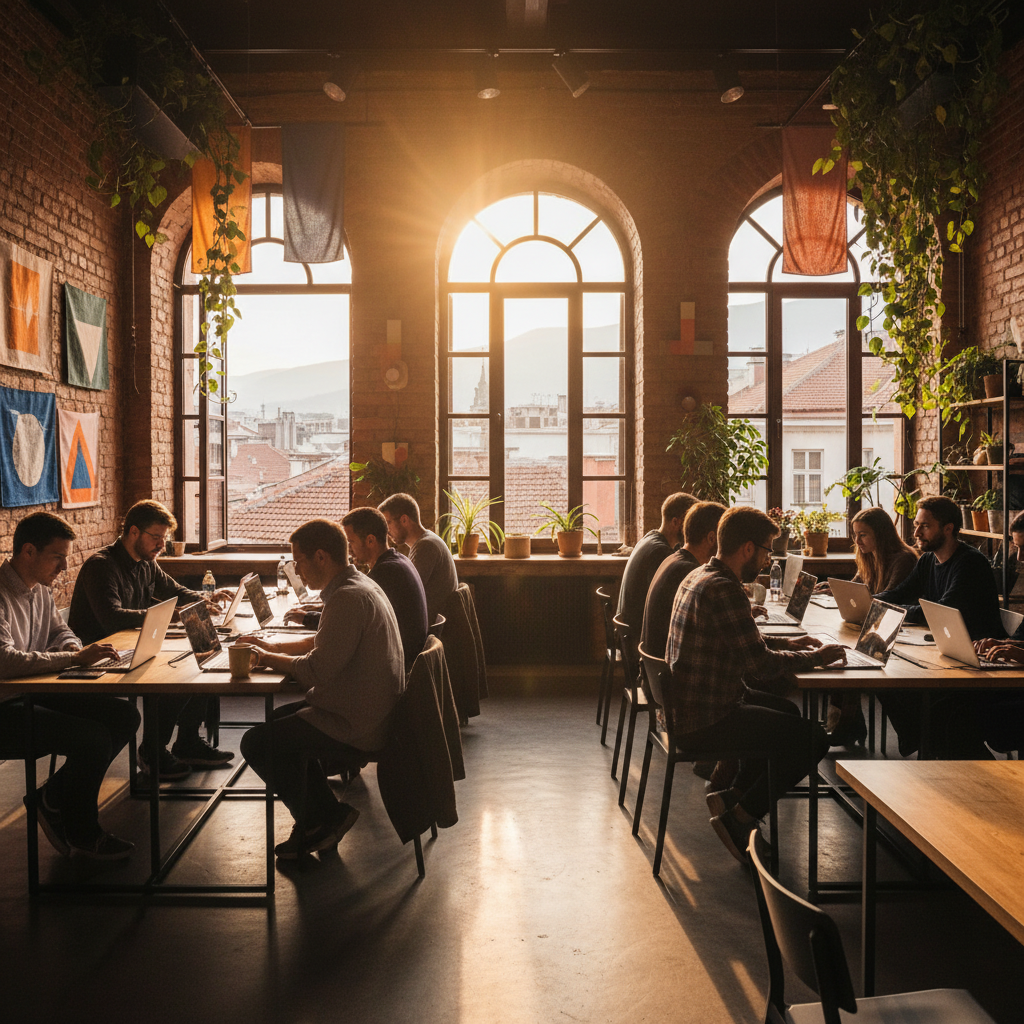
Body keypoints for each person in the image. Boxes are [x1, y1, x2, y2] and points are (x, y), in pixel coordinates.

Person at [664, 506, 843, 863]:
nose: (767, 560)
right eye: (766, 551)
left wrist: (788, 644)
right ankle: (740, 817)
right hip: (707, 719)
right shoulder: (724, 589)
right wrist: (817, 658)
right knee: (814, 738)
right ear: (748, 548)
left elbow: (741, 642)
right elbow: (760, 666)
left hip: (693, 707)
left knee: (788, 711)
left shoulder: (700, 575)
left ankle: (735, 796)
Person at [239, 519, 405, 860]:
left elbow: (315, 670)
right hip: (366, 708)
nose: (295, 569)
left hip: (358, 722)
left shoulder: (346, 598)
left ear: (320, 557)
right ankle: (325, 818)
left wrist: (264, 657)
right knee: (281, 726)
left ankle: (320, 820)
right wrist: (276, 648)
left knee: (257, 742)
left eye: (297, 561)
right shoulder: (356, 584)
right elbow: (325, 642)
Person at [0, 512, 139, 861]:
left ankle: (52, 797)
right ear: (28, 551)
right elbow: (4, 661)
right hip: (4, 707)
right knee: (90, 738)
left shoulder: (39, 591)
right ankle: (83, 833)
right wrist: (73, 661)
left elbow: (59, 632)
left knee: (123, 715)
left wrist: (73, 648)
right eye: (57, 556)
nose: (64, 566)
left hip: (32, 694)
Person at [68, 499, 236, 779]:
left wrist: (206, 599)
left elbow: (176, 590)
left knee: (202, 661)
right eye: (156, 537)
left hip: (134, 648)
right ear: (134, 532)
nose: (161, 544)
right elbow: (112, 618)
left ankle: (188, 743)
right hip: (99, 657)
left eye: (164, 538)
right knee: (176, 675)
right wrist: (172, 615)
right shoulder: (102, 565)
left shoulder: (146, 563)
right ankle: (152, 751)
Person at [873, 495, 1004, 757]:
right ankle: (923, 742)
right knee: (880, 679)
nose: (917, 533)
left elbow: (937, 612)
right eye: (916, 525)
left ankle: (930, 746)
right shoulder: (927, 560)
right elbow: (898, 593)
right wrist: (872, 602)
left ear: (948, 529)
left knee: (931, 703)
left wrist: (892, 609)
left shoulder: (970, 563)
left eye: (925, 526)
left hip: (978, 662)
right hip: (945, 652)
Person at [286, 506, 428, 671]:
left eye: (351, 542)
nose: (348, 549)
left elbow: (345, 623)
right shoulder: (396, 560)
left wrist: (307, 618)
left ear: (370, 541)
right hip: (398, 663)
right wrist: (318, 608)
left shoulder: (385, 573)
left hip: (398, 667)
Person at [822, 507, 918, 746]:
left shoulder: (902, 559)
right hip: (876, 628)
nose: (857, 540)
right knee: (842, 650)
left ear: (881, 534)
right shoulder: (868, 556)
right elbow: (857, 591)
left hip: (904, 634)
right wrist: (831, 590)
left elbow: (890, 599)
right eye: (855, 534)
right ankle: (847, 723)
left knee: (849, 654)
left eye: (863, 534)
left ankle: (847, 724)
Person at [640, 500, 725, 660]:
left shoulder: (674, 558)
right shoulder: (689, 572)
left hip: (655, 669)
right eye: (724, 537)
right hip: (665, 673)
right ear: (712, 538)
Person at [616, 491, 697, 637]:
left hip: (628, 634)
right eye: (690, 523)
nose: (692, 530)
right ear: (675, 522)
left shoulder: (650, 538)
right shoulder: (661, 553)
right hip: (637, 639)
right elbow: (669, 605)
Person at [378, 492, 458, 623]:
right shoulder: (427, 540)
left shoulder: (426, 546)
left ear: (404, 520)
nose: (387, 531)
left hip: (432, 628)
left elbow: (408, 594)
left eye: (388, 523)